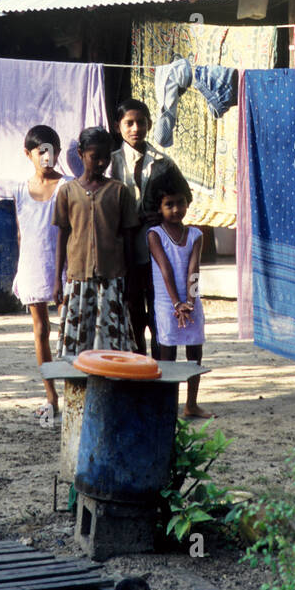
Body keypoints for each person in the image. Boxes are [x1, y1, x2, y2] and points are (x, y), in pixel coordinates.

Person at [109, 97, 187, 355]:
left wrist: (162, 216)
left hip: (158, 251)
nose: (135, 129)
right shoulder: (110, 164)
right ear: (117, 125)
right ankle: (138, 368)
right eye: (129, 123)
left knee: (158, 311)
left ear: (149, 125)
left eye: (141, 123)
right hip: (123, 251)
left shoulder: (163, 164)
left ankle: (161, 370)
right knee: (131, 312)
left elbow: (184, 198)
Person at [53, 127, 137, 355]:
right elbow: (63, 235)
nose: (101, 163)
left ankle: (110, 389)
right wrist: (58, 279)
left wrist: (129, 280)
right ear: (80, 154)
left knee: (110, 343)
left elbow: (128, 238)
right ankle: (80, 389)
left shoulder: (119, 192)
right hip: (78, 277)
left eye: (106, 157)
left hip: (111, 277)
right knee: (79, 344)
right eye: (94, 157)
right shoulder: (67, 192)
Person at [146, 173, 213, 419]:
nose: (176, 209)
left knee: (195, 351)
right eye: (169, 204)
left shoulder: (196, 235)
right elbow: (166, 269)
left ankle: (191, 404)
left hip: (190, 302)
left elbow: (193, 270)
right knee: (168, 354)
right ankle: (167, 406)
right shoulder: (155, 234)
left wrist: (190, 302)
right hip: (168, 304)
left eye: (180, 203)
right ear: (159, 207)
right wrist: (177, 303)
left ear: (188, 202)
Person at [12, 124, 66, 415]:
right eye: (40, 151)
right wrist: (23, 268)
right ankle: (51, 396)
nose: (47, 157)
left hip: (64, 268)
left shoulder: (68, 186)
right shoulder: (20, 189)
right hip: (33, 264)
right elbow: (22, 232)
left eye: (52, 151)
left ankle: (74, 394)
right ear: (28, 154)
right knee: (41, 329)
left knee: (68, 331)